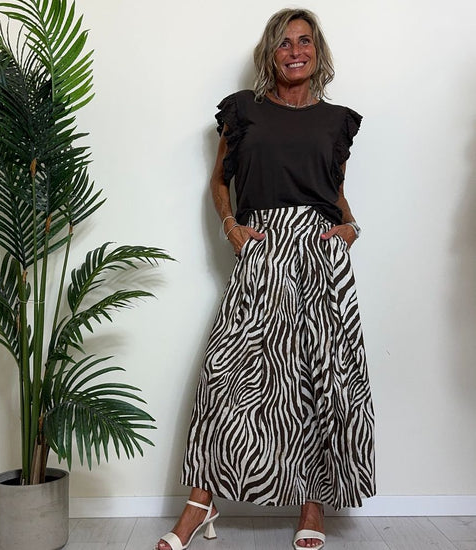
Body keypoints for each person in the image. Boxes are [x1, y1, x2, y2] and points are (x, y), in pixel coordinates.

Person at [156, 8, 376, 550]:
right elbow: (219, 181)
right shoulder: (243, 111)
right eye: (284, 43)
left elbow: (334, 189)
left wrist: (350, 228)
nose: (295, 51)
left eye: (304, 41)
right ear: (269, 53)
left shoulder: (337, 121)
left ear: (318, 52)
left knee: (320, 379)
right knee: (226, 374)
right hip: (263, 249)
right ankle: (200, 505)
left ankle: (313, 506)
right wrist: (231, 226)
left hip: (321, 258)